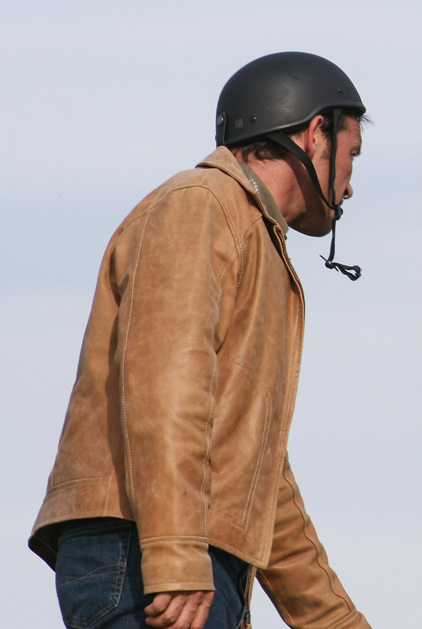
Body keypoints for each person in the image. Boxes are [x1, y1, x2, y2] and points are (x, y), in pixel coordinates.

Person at [29, 52, 373, 629]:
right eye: (353, 155)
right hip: (146, 554)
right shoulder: (202, 205)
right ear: (316, 134)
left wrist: (335, 621)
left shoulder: (253, 238)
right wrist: (175, 553)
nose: (352, 185)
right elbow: (166, 387)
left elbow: (259, 478)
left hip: (185, 556)